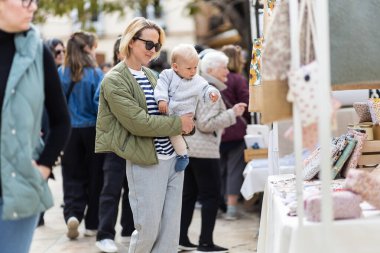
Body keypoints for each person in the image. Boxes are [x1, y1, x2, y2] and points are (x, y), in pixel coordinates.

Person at [95, 17, 194, 253]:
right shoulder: (114, 80)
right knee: (147, 229)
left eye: (157, 46)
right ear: (131, 41)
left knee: (170, 233)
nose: (154, 50)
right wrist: (177, 123)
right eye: (149, 44)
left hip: (173, 160)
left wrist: (186, 123)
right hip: (145, 161)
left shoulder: (152, 76)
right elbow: (139, 124)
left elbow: (169, 108)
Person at [0, 0, 71, 252]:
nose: (33, 7)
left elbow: (62, 121)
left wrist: (42, 168)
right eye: (26, 0)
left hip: (19, 187)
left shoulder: (38, 52)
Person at [179, 50, 247, 253]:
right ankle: (205, 242)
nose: (227, 70)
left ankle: (181, 238)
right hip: (205, 150)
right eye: (223, 67)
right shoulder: (211, 91)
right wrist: (232, 114)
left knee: (189, 196)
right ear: (210, 70)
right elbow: (207, 124)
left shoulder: (197, 85)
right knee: (210, 196)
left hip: (190, 148)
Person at [58, 31, 104, 240]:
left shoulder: (61, 72)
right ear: (87, 48)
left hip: (69, 132)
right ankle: (92, 224)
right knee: (96, 177)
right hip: (92, 130)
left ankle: (73, 214)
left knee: (71, 176)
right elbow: (100, 106)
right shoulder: (95, 74)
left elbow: (55, 105)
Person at [95, 36, 134, 253]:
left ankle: (128, 230)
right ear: (119, 52)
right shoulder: (110, 78)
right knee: (111, 189)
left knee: (133, 189)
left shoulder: (142, 76)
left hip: (135, 143)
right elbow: (97, 106)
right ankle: (105, 234)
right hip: (114, 144)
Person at [154, 43, 220, 172]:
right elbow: (160, 87)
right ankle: (180, 154)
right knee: (172, 136)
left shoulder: (197, 80)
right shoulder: (167, 75)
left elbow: (206, 88)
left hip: (185, 114)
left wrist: (212, 94)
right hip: (168, 113)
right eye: (189, 68)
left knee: (176, 136)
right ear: (175, 67)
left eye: (195, 67)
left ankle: (183, 156)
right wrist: (161, 99)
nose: (193, 71)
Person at [219, 44, 250, 220]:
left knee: (220, 170)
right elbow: (246, 104)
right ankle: (231, 208)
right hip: (236, 132)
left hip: (217, 131)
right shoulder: (238, 79)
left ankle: (220, 205)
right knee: (234, 169)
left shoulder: (213, 80)